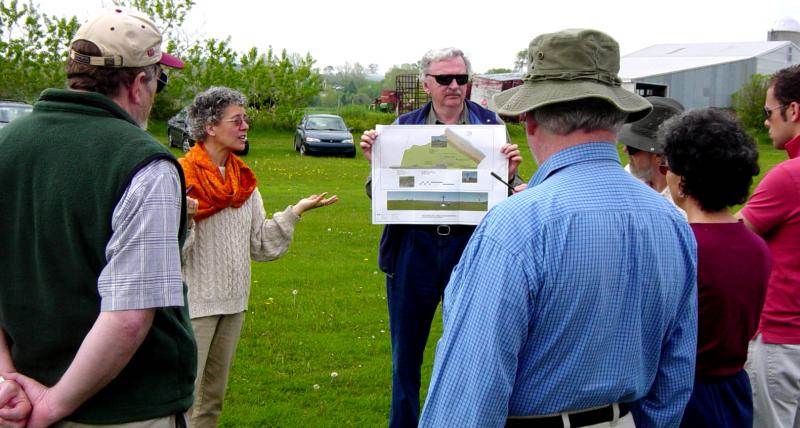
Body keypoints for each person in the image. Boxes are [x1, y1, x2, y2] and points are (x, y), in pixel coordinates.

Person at [419, 29, 698, 427]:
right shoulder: (671, 220)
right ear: (617, 119)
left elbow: (470, 390)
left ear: (530, 120)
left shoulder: (517, 226)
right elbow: (675, 376)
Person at [0, 8, 196, 427]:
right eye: (159, 78)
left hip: (18, 398)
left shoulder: (5, 144)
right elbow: (127, 317)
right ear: (141, 82)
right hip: (124, 409)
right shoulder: (145, 164)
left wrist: (7, 381)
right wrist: (51, 406)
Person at [359, 47, 522, 427]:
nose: (453, 86)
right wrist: (378, 166)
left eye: (461, 79)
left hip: (471, 248)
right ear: (426, 83)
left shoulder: (491, 126)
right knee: (406, 357)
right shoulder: (402, 129)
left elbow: (506, 195)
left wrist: (510, 172)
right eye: (444, 79)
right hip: (413, 248)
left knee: (472, 350)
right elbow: (377, 195)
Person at [179, 86, 337, 428]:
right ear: (210, 127)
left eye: (245, 119)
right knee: (184, 400)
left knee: (212, 401)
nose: (245, 126)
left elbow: (260, 244)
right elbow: (170, 253)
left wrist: (295, 211)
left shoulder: (243, 182)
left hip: (234, 303)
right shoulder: (183, 180)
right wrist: (186, 219)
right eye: (237, 120)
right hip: (195, 307)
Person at [660, 109, 769, 427]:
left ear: (682, 179)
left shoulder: (682, 247)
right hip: (734, 390)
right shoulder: (755, 246)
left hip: (685, 395)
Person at [738, 64, 800, 428]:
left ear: (793, 111)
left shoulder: (788, 176)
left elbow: (731, 237)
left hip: (781, 341)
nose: (765, 122)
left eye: (768, 112)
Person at [619, 96, 685, 208]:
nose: (624, 150)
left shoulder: (686, 203)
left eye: (632, 147)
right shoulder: (627, 178)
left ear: (658, 156)